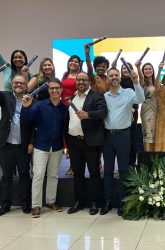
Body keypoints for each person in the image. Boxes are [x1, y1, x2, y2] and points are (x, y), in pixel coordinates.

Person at [100, 67, 145, 216]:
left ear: (119, 77)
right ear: (107, 79)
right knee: (108, 171)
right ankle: (107, 201)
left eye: (116, 75)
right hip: (107, 136)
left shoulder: (129, 92)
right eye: (111, 75)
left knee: (123, 169)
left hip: (123, 136)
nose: (114, 77)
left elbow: (141, 99)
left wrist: (136, 82)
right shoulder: (104, 96)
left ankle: (122, 202)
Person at [21, 78, 68, 218]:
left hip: (57, 146)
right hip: (41, 146)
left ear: (61, 90)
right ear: (48, 90)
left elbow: (66, 129)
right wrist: (25, 106)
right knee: (38, 175)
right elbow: (27, 119)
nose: (54, 90)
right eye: (51, 88)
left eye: (57, 88)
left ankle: (50, 201)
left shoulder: (65, 108)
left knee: (53, 175)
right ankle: (36, 205)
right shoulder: (40, 105)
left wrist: (68, 147)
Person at [0, 72, 34, 216]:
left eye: (21, 83)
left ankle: (25, 203)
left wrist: (31, 142)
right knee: (6, 176)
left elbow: (34, 124)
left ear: (26, 86)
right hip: (6, 144)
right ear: (12, 85)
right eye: (16, 83)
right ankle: (5, 205)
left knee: (24, 175)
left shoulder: (32, 100)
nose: (18, 85)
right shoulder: (6, 97)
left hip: (23, 145)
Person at [65, 72, 107, 215]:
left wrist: (88, 114)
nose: (81, 82)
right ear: (75, 82)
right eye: (79, 80)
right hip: (73, 141)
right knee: (78, 174)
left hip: (90, 142)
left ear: (89, 81)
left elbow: (103, 112)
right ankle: (79, 202)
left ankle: (94, 202)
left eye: (84, 80)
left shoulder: (97, 96)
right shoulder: (71, 98)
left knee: (94, 173)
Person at [0, 23, 31, 91]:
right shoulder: (6, 67)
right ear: (12, 59)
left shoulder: (30, 75)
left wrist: (25, 76)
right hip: (7, 101)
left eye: (20, 57)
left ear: (25, 59)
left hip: (24, 101)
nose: (17, 59)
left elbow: (28, 91)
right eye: (15, 57)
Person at [135, 61, 158, 152]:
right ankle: (148, 158)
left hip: (158, 111)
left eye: (149, 68)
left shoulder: (157, 82)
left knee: (157, 135)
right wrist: (138, 68)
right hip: (147, 111)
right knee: (149, 135)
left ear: (153, 70)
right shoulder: (143, 82)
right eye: (145, 69)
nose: (148, 70)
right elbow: (140, 76)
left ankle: (156, 162)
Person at [120, 62, 139, 165]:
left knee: (132, 137)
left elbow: (138, 94)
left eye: (127, 68)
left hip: (132, 112)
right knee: (123, 138)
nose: (125, 70)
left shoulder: (135, 81)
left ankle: (132, 163)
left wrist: (134, 108)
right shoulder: (119, 81)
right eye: (123, 68)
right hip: (122, 113)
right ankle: (123, 163)